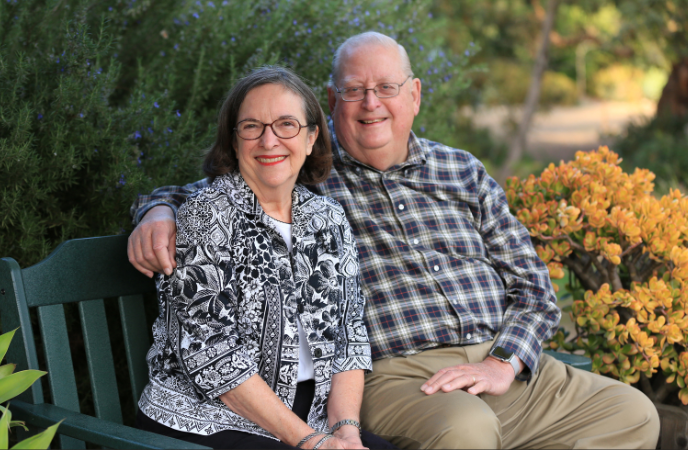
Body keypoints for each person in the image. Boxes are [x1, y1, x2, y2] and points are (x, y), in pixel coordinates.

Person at [129, 33, 660, 449]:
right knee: (466, 434)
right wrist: (156, 209)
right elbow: (220, 187)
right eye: (354, 90)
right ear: (331, 104)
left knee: (633, 415)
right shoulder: (308, 172)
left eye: (385, 87)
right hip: (403, 376)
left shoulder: (462, 171)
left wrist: (505, 362)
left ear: (415, 94)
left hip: (501, 363)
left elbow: (533, 287)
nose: (371, 104)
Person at [134, 66, 396, 450]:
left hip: (307, 412)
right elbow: (214, 356)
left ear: (311, 138)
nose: (269, 140)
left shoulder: (328, 218)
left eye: (286, 125)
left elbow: (349, 338)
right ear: (234, 140)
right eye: (252, 126)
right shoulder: (207, 216)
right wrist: (311, 442)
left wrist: (346, 431)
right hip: (207, 417)